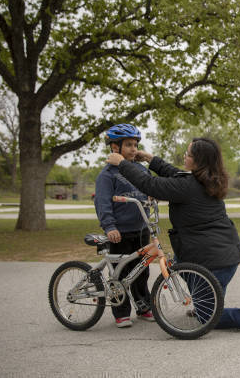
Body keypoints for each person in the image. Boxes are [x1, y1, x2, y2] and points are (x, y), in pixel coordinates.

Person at [106, 137, 240, 330]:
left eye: (188, 154)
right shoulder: (206, 180)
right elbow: (175, 174)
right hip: (222, 255)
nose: (185, 155)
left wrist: (122, 164)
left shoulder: (188, 186)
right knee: (181, 265)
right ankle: (204, 306)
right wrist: (151, 159)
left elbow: (150, 184)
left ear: (198, 161)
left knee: (208, 316)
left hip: (214, 261)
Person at [94, 124, 155, 328]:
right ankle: (121, 312)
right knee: (119, 274)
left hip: (141, 229)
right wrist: (109, 226)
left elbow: (150, 186)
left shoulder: (139, 169)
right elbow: (102, 203)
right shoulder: (107, 175)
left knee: (141, 272)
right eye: (128, 144)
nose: (133, 149)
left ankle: (144, 306)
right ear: (114, 147)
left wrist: (152, 194)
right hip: (119, 232)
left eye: (136, 144)